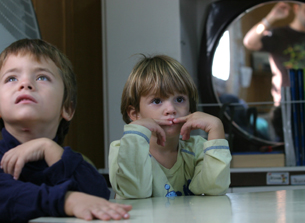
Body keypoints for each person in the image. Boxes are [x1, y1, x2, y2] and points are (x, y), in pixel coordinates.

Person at [0, 39, 132, 222]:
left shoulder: (73, 162)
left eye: (42, 77)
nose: (25, 84)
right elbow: (7, 196)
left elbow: (98, 195)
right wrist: (67, 200)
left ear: (67, 109)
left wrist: (49, 149)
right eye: (11, 78)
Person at [109, 54, 231, 198]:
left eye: (179, 99)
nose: (171, 109)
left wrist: (217, 128)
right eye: (156, 101)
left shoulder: (197, 149)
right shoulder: (122, 149)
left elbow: (213, 189)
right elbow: (135, 194)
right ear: (135, 113)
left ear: (190, 110)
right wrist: (137, 129)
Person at [243, 1, 305, 105]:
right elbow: (249, 42)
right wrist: (271, 17)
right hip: (284, 103)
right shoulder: (278, 34)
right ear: (296, 8)